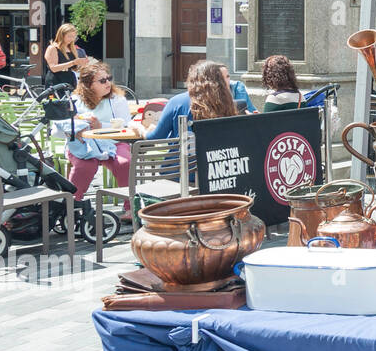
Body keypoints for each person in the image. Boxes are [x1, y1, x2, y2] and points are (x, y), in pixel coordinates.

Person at [55, 62, 133, 217]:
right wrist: (73, 129)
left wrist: (100, 126)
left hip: (113, 142)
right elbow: (57, 129)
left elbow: (125, 125)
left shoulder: (117, 100)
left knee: (124, 163)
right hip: (83, 145)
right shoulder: (74, 101)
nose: (108, 83)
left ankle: (130, 206)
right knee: (85, 166)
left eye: (109, 78)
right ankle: (71, 207)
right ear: (88, 85)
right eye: (102, 81)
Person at [145, 60, 238, 140]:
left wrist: (141, 130)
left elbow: (156, 137)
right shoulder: (226, 103)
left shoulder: (177, 102)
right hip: (212, 159)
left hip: (181, 158)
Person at [43, 24, 86, 90]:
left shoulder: (72, 48)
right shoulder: (53, 48)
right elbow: (53, 68)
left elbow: (73, 68)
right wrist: (73, 63)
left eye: (73, 37)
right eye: (69, 36)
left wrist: (81, 65)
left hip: (70, 81)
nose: (71, 39)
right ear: (62, 35)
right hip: (56, 81)